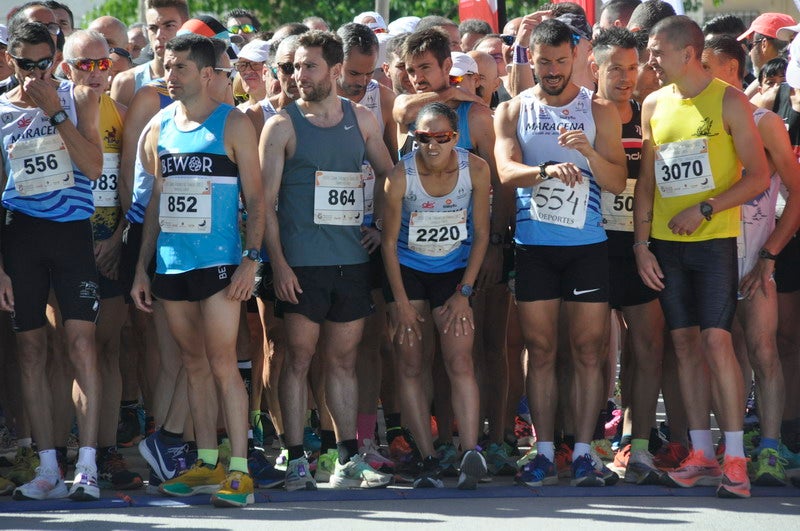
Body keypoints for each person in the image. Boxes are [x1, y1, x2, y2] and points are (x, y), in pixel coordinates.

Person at [632, 15, 771, 499]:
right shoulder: (653, 103)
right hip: (667, 247)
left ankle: (735, 459)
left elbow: (758, 176)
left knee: (716, 344)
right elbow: (647, 182)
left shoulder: (731, 101)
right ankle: (702, 454)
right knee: (685, 345)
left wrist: (707, 207)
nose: (649, 59)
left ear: (687, 53)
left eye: (655, 51)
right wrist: (640, 245)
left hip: (713, 241)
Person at [131, 32, 264, 508]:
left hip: (221, 263)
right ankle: (206, 460)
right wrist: (142, 270)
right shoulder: (159, 125)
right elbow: (154, 205)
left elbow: (258, 198)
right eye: (168, 65)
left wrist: (254, 259)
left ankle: (240, 470)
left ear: (207, 75)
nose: (170, 74)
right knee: (192, 364)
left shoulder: (235, 124)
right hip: (172, 262)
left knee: (223, 363)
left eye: (181, 66)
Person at [494, 18, 627, 488]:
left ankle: (586, 451)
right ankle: (545, 450)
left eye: (559, 61)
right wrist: (547, 171)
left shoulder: (601, 110)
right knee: (542, 350)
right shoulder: (513, 110)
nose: (551, 70)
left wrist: (588, 153)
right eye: (543, 61)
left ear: (576, 59)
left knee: (588, 350)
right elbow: (506, 171)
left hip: (586, 246)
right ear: (530, 59)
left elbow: (614, 182)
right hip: (534, 247)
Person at [259, 30, 394, 491]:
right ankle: (296, 458)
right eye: (294, 67)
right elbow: (265, 204)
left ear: (335, 71)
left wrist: (379, 225)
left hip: (351, 261)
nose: (299, 76)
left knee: (344, 360)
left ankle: (347, 457)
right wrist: (277, 264)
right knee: (297, 358)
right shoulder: (280, 125)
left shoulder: (363, 119)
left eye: (309, 66)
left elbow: (390, 178)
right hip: (301, 264)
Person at [0, 21, 103, 501]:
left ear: (57, 56)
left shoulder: (78, 95)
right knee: (30, 351)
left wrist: (56, 112)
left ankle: (87, 464)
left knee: (81, 345)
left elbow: (94, 166)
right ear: (11, 60)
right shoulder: (1, 106)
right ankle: (46, 467)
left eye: (45, 62)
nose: (36, 73)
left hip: (71, 234)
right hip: (21, 236)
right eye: (26, 64)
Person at [702, 34, 800, 486]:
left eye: (704, 66)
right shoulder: (691, 120)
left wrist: (769, 254)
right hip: (709, 257)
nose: (695, 76)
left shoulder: (764, 122)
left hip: (756, 258)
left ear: (729, 69)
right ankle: (735, 444)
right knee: (728, 351)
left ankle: (772, 447)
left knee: (763, 348)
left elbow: (797, 195)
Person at [382, 102, 490, 488]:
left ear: (454, 138)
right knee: (410, 362)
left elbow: (482, 236)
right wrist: (399, 303)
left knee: (459, 360)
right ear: (414, 137)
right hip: (409, 271)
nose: (431, 145)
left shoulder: (475, 168)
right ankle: (427, 455)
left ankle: (470, 452)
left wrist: (465, 292)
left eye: (441, 138)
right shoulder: (400, 174)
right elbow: (389, 244)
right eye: (423, 138)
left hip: (454, 272)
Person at [60, 28, 144, 492]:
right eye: (84, 64)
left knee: (107, 349)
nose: (95, 73)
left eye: (102, 63)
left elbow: (134, 185)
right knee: (71, 351)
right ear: (65, 66)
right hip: (64, 245)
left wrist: (116, 239)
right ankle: (57, 450)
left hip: (111, 244)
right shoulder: (51, 110)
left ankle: (106, 451)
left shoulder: (124, 114)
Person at [110, 0, 189, 107]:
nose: (159, 35)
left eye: (169, 26)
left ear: (185, 26)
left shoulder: (203, 81)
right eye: (153, 28)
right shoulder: (127, 82)